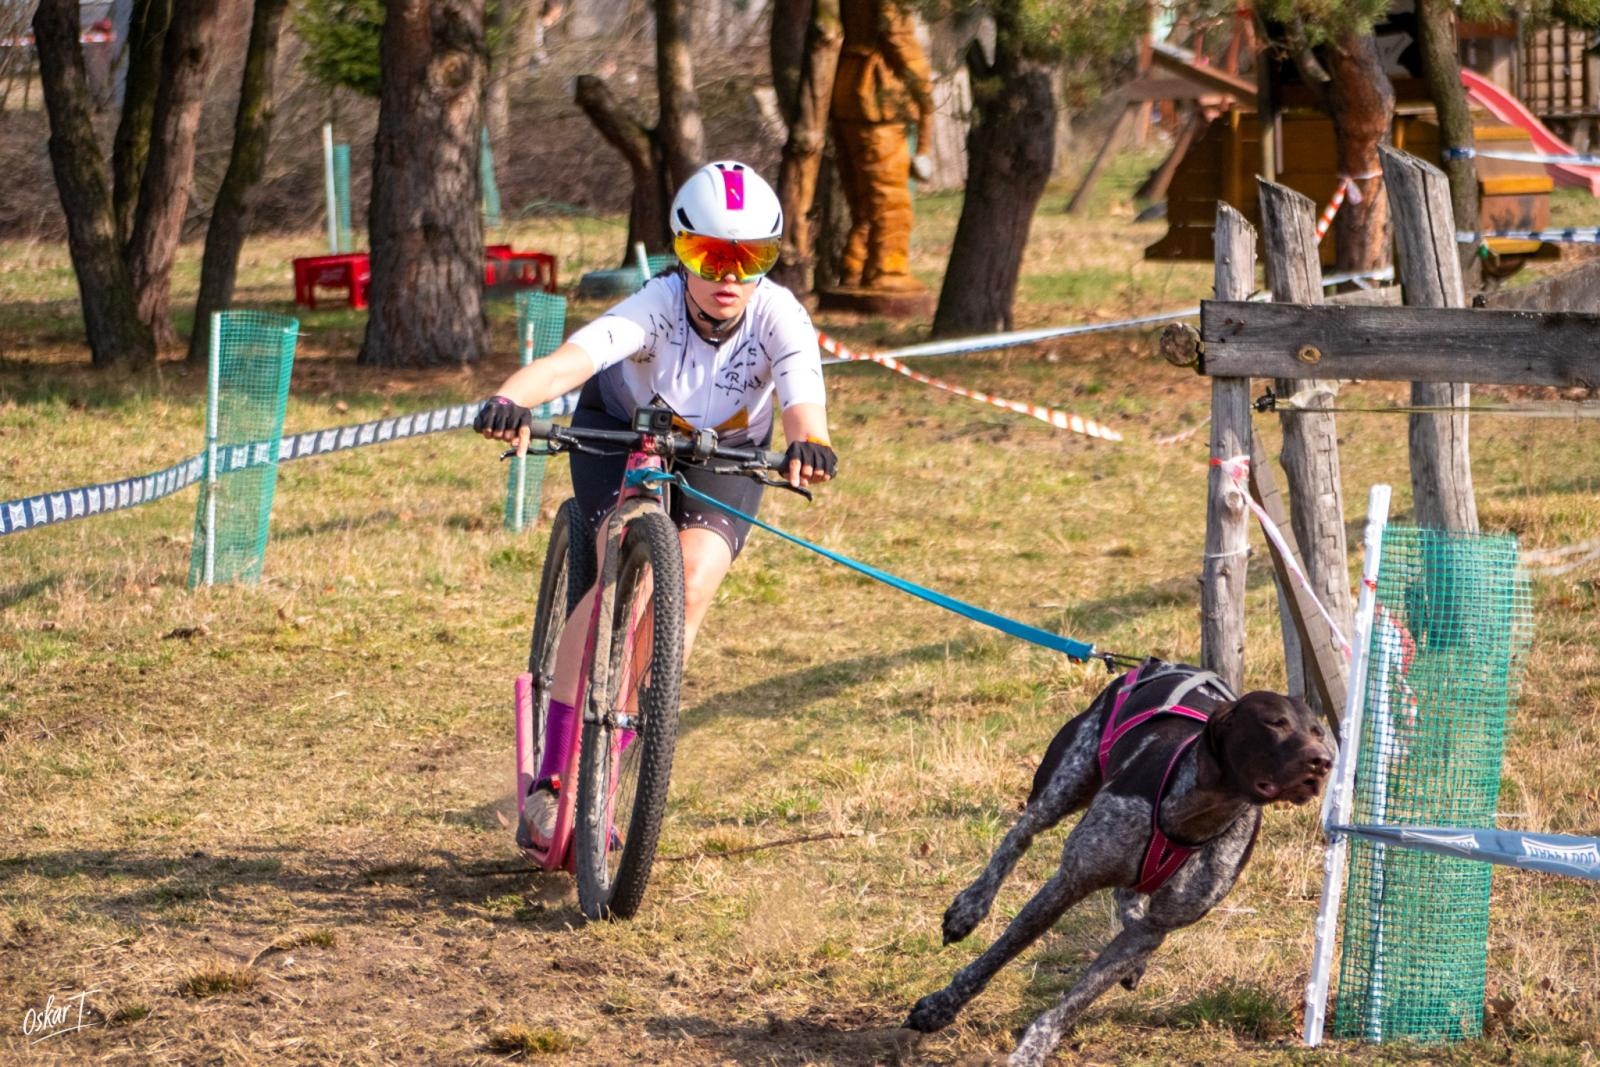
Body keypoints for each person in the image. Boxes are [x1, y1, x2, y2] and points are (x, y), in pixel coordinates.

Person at [474, 161, 837, 849]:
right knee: (622, 570)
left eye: (750, 257)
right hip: (623, 427)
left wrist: (809, 444)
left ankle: (614, 747)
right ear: (680, 252)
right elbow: (569, 363)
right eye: (710, 255)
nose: (729, 276)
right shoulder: (655, 305)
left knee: (691, 578)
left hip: (726, 449)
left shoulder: (779, 314)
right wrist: (512, 398)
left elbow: (803, 404)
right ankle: (553, 779)